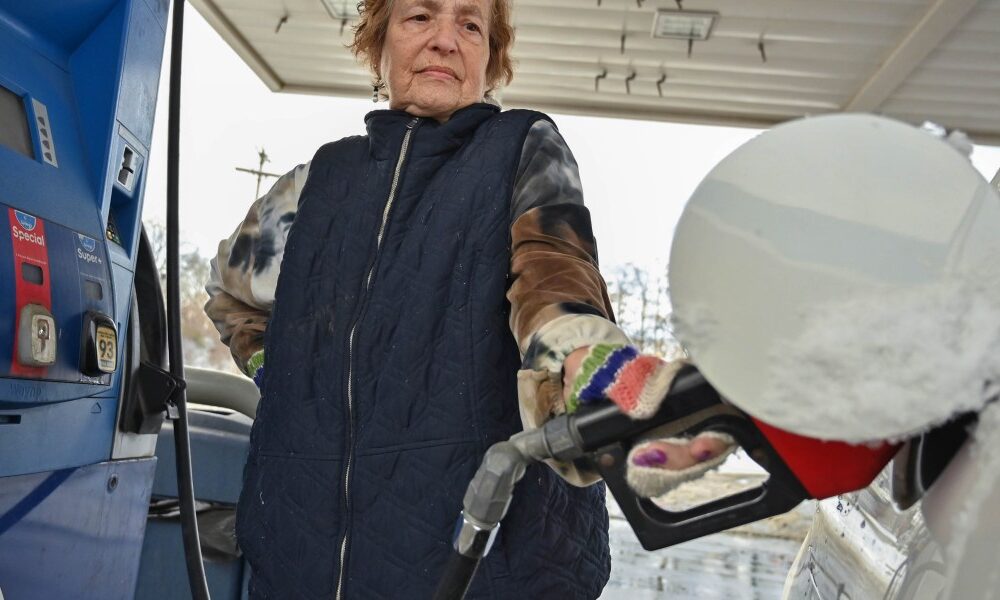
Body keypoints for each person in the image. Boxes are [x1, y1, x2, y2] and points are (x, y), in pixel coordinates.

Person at [205, 0, 731, 597]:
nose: (445, 40)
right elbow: (232, 297)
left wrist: (588, 370)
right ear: (379, 44)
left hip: (487, 565)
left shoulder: (521, 149)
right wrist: (286, 379)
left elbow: (555, 275)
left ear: (490, 59)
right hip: (300, 561)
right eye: (419, 17)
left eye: (471, 25)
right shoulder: (314, 185)